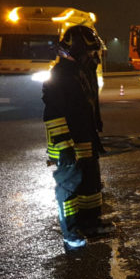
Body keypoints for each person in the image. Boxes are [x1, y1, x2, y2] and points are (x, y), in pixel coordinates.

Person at [42, 25, 113, 251]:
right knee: (69, 188)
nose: (93, 56)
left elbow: (90, 104)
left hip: (85, 138)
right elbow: (53, 114)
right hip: (67, 143)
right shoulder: (60, 75)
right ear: (76, 50)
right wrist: (64, 147)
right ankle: (70, 233)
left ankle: (90, 223)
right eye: (89, 52)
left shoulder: (81, 71)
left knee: (90, 184)